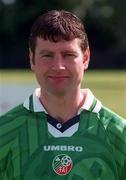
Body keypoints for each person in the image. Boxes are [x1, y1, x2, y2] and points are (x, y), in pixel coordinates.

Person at [0, 9, 126, 180]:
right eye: (47, 55)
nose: (58, 66)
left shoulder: (120, 134)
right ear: (32, 59)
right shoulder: (5, 132)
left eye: (68, 55)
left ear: (86, 57)